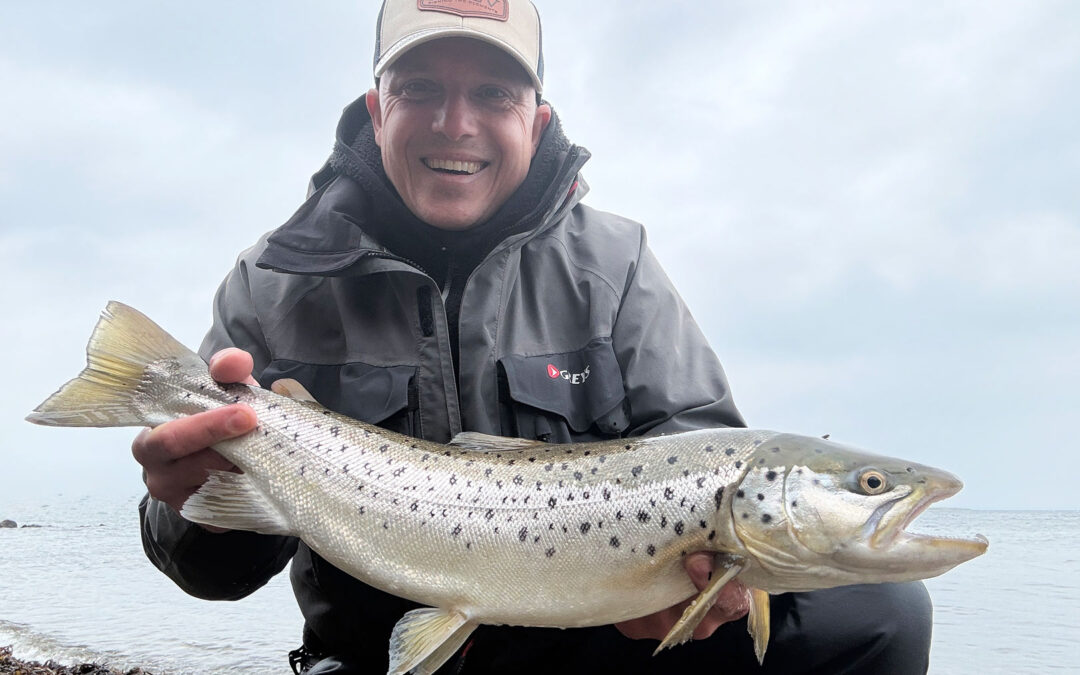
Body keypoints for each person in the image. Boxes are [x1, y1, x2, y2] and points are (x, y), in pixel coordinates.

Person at [133, 1, 933, 673]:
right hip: (374, 653)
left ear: (536, 117)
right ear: (377, 110)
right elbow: (215, 575)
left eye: (492, 93)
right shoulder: (272, 280)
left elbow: (698, 444)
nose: (457, 124)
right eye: (420, 89)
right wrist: (190, 504)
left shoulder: (616, 263)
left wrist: (706, 590)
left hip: (596, 652)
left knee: (879, 613)